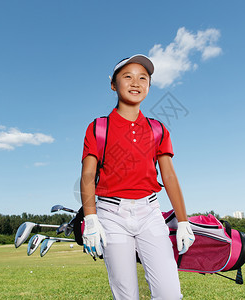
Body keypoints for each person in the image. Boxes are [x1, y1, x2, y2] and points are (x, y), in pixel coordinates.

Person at [80, 54, 195, 300]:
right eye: (128, 77)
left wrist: (183, 221)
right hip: (111, 216)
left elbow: (170, 176)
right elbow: (88, 175)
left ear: (149, 87)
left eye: (143, 78)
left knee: (170, 294)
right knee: (126, 295)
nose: (136, 83)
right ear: (113, 84)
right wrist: (91, 220)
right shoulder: (99, 127)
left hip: (150, 214)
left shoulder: (157, 129)